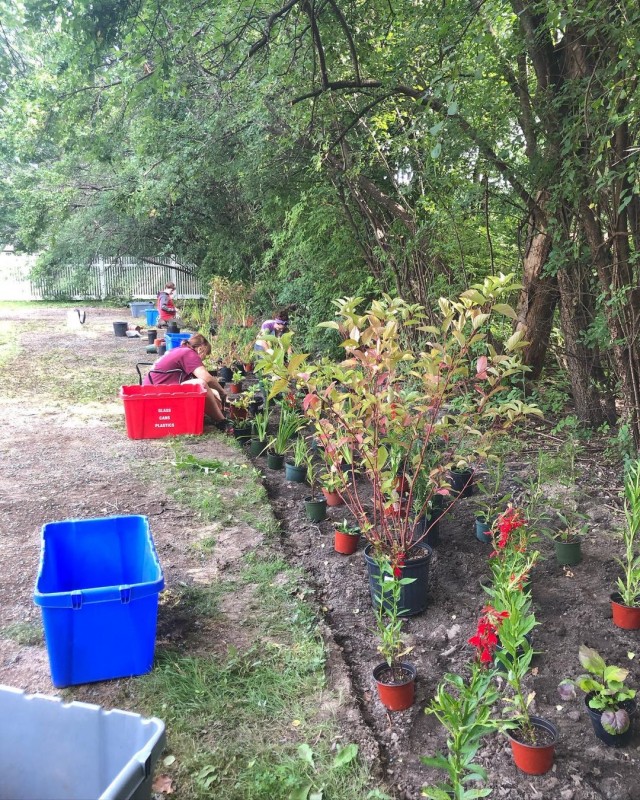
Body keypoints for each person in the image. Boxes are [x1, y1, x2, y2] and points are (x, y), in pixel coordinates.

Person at [143, 334, 227, 428]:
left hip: (151, 391)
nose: (203, 359)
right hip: (157, 393)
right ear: (201, 349)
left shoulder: (179, 350)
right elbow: (206, 378)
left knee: (207, 389)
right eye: (205, 355)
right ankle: (222, 422)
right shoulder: (189, 353)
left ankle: (216, 414)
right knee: (201, 384)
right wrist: (222, 391)